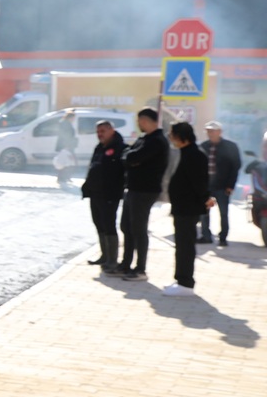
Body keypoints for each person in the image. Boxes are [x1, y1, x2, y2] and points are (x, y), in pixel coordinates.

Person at [163, 121, 215, 296]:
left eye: (172, 134)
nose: (170, 138)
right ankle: (181, 280)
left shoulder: (195, 155)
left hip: (188, 208)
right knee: (181, 245)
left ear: (181, 137)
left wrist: (206, 198)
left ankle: (185, 283)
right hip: (182, 208)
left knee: (185, 246)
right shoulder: (185, 153)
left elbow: (199, 182)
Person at [118, 107, 169, 281]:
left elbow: (133, 157)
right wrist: (131, 159)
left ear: (147, 120)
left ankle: (140, 269)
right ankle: (126, 264)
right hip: (133, 188)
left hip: (145, 190)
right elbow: (127, 155)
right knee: (126, 226)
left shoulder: (157, 141)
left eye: (140, 121)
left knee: (139, 229)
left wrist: (131, 159)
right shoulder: (144, 138)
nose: (139, 124)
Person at [83, 118, 128, 274]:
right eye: (98, 132)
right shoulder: (99, 148)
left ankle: (112, 260)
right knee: (98, 223)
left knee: (109, 225)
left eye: (103, 131)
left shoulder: (120, 148)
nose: (100, 135)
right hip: (95, 193)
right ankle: (104, 255)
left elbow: (121, 173)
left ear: (111, 131)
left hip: (110, 194)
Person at [198, 120, 242, 246]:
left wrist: (230, 185)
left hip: (222, 186)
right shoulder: (203, 146)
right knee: (204, 212)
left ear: (219, 132)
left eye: (212, 131)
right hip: (206, 186)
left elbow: (235, 166)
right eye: (208, 131)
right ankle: (206, 236)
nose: (210, 133)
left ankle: (223, 237)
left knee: (223, 213)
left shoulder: (230, 147)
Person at [54, 109, 80, 186]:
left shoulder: (65, 123)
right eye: (73, 118)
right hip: (66, 146)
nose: (73, 120)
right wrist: (66, 146)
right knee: (66, 162)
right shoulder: (65, 124)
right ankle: (63, 177)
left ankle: (65, 177)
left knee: (67, 162)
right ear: (70, 117)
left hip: (67, 146)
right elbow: (65, 136)